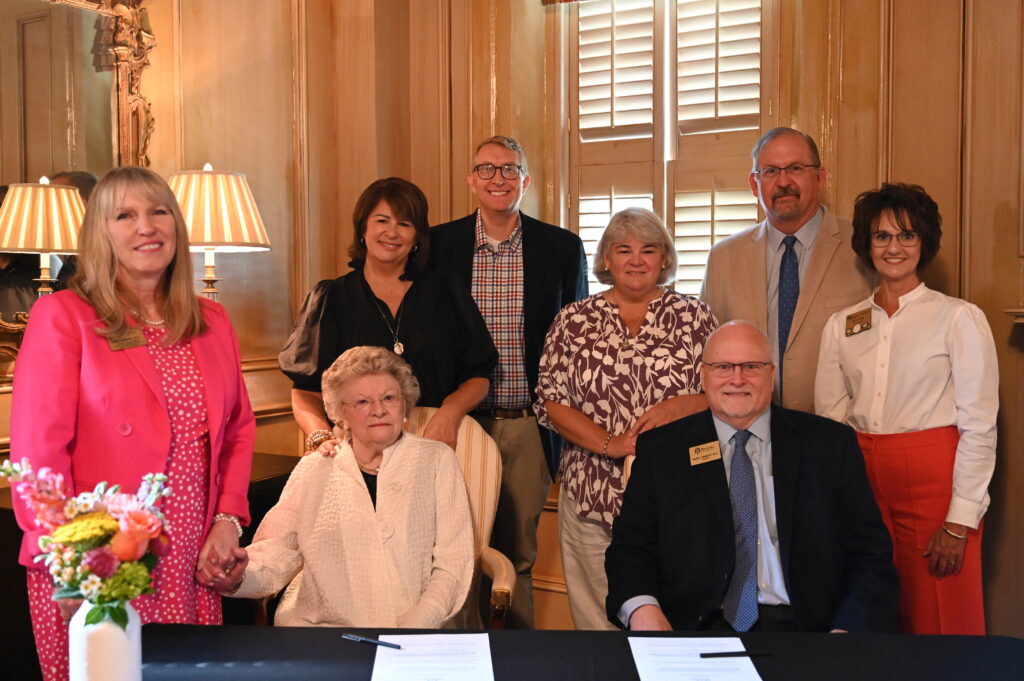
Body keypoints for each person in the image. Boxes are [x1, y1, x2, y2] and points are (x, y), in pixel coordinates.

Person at [10, 166, 256, 681]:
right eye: (125, 215)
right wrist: (74, 566)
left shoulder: (213, 320)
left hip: (192, 557)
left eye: (158, 211)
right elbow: (38, 458)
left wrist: (227, 522)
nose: (146, 226)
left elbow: (236, 429)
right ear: (101, 234)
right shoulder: (64, 317)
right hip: (103, 561)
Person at [606, 321, 898, 633]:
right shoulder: (662, 451)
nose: (737, 378)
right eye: (723, 367)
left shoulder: (828, 445)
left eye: (751, 366)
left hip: (809, 630)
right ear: (703, 376)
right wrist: (643, 610)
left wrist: (846, 632)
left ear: (771, 375)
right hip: (693, 629)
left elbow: (871, 556)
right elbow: (631, 550)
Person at [815, 183, 997, 634]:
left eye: (907, 236)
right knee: (871, 603)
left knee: (940, 611)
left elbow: (980, 426)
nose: (893, 247)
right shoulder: (842, 324)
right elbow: (830, 417)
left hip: (935, 482)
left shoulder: (958, 318)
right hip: (861, 479)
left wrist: (959, 521)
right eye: (882, 236)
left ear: (924, 243)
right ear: (866, 244)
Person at [430, 135, 588, 628]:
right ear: (471, 180)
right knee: (450, 551)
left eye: (509, 169)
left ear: (526, 180)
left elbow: (574, 339)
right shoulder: (439, 245)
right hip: (457, 421)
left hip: (526, 425)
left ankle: (516, 658)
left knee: (516, 553)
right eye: (487, 169)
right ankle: (456, 656)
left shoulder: (560, 247)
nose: (498, 179)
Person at [534, 208, 715, 630]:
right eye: (624, 250)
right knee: (598, 621)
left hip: (678, 493)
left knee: (669, 617)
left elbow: (723, 393)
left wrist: (680, 406)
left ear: (665, 259)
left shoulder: (696, 317)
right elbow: (551, 401)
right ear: (606, 261)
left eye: (648, 250)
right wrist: (608, 443)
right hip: (591, 491)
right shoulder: (572, 320)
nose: (637, 260)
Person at [212, 346, 474, 628]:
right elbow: (278, 550)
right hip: (322, 632)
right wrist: (239, 576)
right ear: (340, 414)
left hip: (416, 634)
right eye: (362, 402)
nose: (379, 410)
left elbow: (453, 562)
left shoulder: (437, 460)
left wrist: (416, 628)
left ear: (404, 403)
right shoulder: (316, 467)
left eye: (389, 397)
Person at [280, 177, 497, 454]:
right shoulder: (331, 297)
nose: (392, 232)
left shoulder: (446, 292)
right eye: (382, 221)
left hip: (436, 441)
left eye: (404, 224)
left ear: (417, 236)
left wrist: (450, 414)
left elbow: (478, 375)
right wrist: (320, 436)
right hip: (355, 449)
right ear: (363, 228)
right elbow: (305, 390)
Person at [700, 127, 873, 413]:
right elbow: (708, 350)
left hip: (836, 430)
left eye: (795, 168)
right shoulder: (723, 258)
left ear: (820, 177)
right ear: (755, 185)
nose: (783, 182)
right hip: (747, 428)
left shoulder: (863, 245)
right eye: (769, 171)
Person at [50, 170, 99, 291]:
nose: (49, 207)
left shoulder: (103, 253)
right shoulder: (74, 254)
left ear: (84, 202)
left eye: (55, 199)